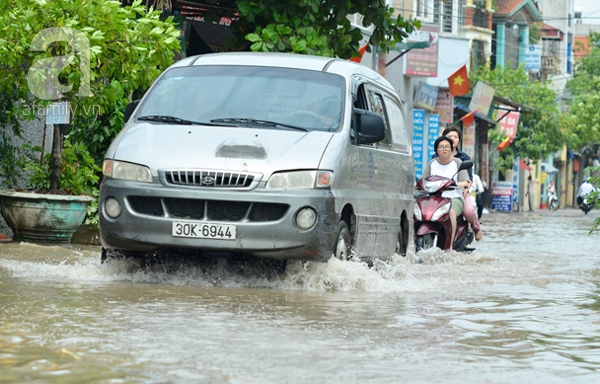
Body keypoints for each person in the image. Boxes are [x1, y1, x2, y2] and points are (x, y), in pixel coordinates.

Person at [432, 127, 483, 241]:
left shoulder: (463, 158)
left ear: (459, 140)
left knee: (469, 211)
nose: (453, 139)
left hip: (458, 192)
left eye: (455, 137)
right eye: (450, 136)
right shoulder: (434, 158)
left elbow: (468, 179)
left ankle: (476, 228)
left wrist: (465, 188)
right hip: (439, 193)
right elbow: (428, 176)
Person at [422, 136, 471, 249]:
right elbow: (423, 180)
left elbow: (465, 181)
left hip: (454, 198)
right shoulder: (432, 163)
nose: (444, 149)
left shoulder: (458, 163)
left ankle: (449, 247)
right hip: (434, 199)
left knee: (451, 213)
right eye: (441, 147)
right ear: (436, 150)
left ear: (451, 149)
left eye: (447, 147)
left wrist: (461, 184)